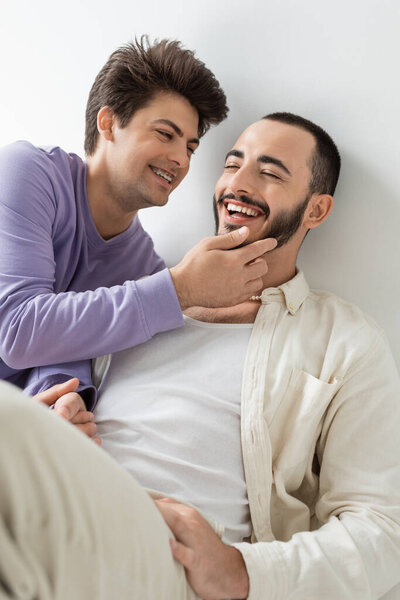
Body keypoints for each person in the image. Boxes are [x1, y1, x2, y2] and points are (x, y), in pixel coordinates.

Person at [1, 112, 399, 600]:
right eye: (232, 164)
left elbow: (382, 533)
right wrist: (55, 414)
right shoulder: (142, 292)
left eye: (270, 173)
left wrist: (241, 571)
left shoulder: (344, 342)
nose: (239, 183)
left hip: (166, 553)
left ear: (316, 210)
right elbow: (55, 371)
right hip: (61, 506)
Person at [0, 36, 276, 430]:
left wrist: (63, 403)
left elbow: (71, 339)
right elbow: (17, 328)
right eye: (165, 134)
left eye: (191, 147)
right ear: (108, 123)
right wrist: (179, 289)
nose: (181, 159)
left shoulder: (142, 266)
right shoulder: (25, 173)